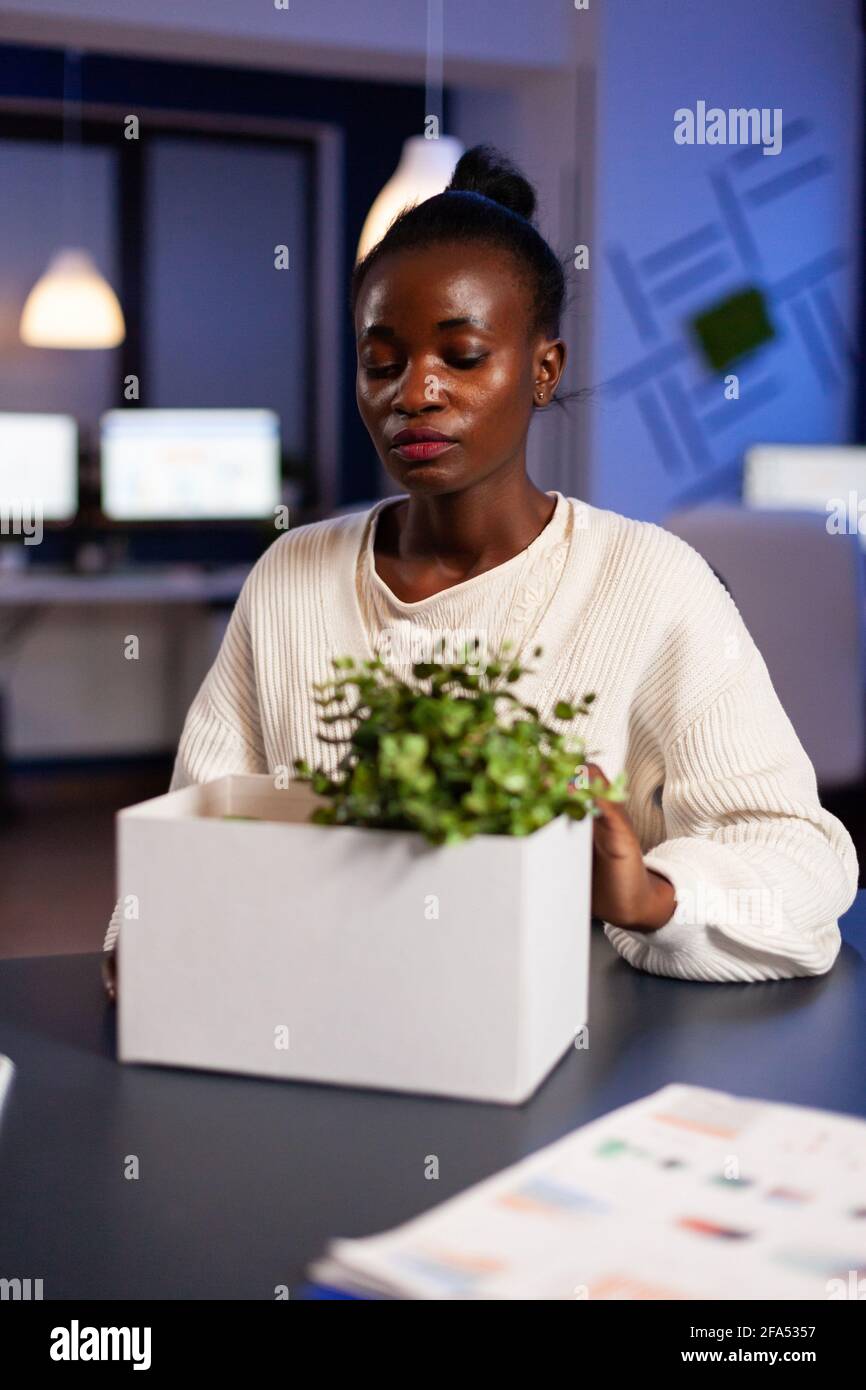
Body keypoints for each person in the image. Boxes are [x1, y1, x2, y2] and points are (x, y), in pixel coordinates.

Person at [107, 144, 857, 984]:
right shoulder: (289, 576)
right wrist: (154, 927)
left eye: (460, 357)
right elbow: (198, 821)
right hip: (322, 1016)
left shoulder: (654, 583)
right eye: (381, 363)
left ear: (543, 370)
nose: (414, 393)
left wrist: (651, 895)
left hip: (559, 1041)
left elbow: (802, 860)